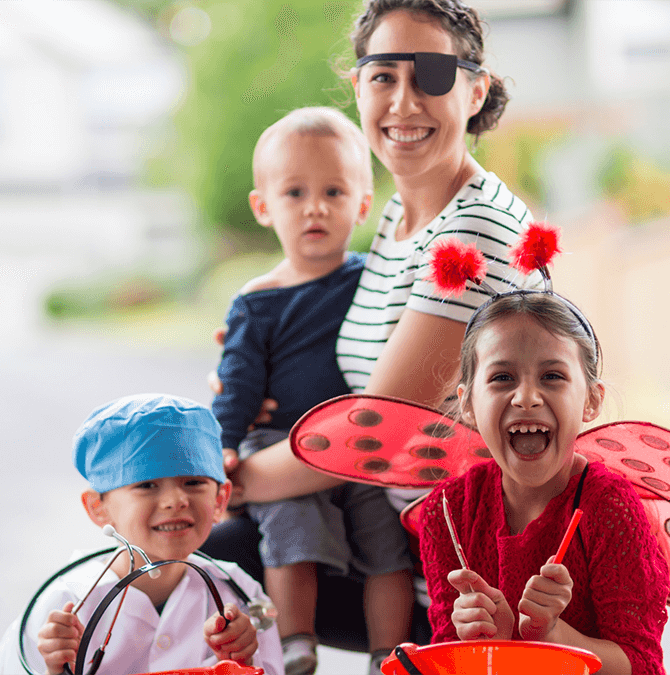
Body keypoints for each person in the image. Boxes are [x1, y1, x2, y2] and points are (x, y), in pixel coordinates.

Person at [204, 0, 540, 651]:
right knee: (183, 565)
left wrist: (224, 482)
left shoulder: (472, 230)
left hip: (456, 576)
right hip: (383, 531)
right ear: (358, 88)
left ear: (475, 90)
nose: (404, 101)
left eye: (433, 75)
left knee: (195, 554)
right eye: (384, 76)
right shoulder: (400, 216)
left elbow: (376, 431)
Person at [211, 106, 413, 675]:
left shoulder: (377, 279)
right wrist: (223, 445)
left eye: (333, 191)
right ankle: (296, 643)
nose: (315, 207)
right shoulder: (258, 301)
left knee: (387, 549)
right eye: (295, 193)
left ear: (363, 204)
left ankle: (389, 654)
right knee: (289, 527)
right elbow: (236, 386)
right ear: (263, 207)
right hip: (282, 441)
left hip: (363, 448)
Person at [418, 286, 669, 674]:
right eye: (502, 377)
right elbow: (445, 662)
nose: (527, 397)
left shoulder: (608, 507)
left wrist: (551, 635)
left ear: (591, 400)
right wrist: (485, 642)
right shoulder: (447, 512)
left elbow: (641, 665)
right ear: (467, 403)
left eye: (552, 376)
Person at [0, 394, 284, 675]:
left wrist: (243, 660)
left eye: (194, 482)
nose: (176, 501)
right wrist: (54, 670)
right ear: (98, 508)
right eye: (146, 485)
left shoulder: (242, 596)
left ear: (220, 501)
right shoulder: (61, 607)